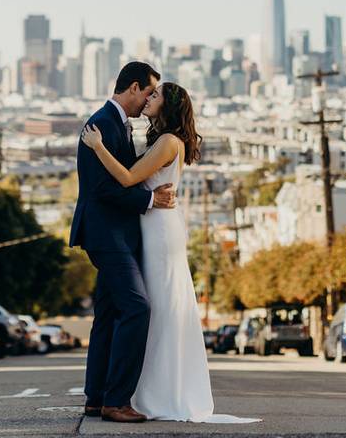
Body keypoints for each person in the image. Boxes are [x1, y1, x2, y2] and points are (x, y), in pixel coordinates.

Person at [80, 80, 260, 424]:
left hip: (159, 231)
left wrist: (98, 147)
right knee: (151, 309)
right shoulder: (161, 139)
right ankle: (131, 392)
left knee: (153, 308)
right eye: (149, 92)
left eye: (156, 95)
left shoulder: (167, 142)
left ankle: (149, 393)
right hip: (151, 225)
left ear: (168, 106)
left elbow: (129, 178)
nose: (150, 98)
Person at [69, 61, 177, 423]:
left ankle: (96, 397)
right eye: (148, 92)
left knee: (109, 313)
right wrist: (149, 201)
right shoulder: (101, 122)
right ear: (133, 88)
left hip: (117, 233)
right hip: (107, 234)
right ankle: (117, 400)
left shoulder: (118, 123)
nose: (148, 100)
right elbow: (103, 190)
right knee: (137, 308)